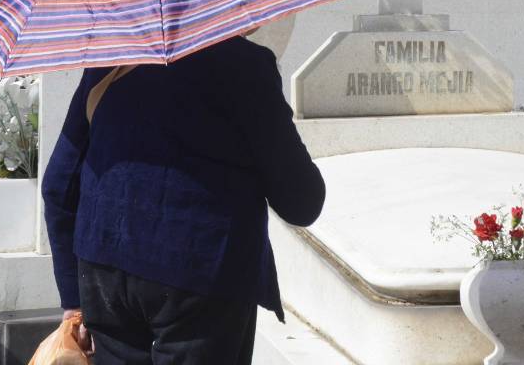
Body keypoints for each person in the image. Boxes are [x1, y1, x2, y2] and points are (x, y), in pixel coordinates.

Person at [42, 34, 325, 365]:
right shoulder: (243, 64)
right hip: (202, 274)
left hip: (104, 271)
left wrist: (73, 303)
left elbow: (58, 184)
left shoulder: (110, 62)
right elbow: (302, 202)